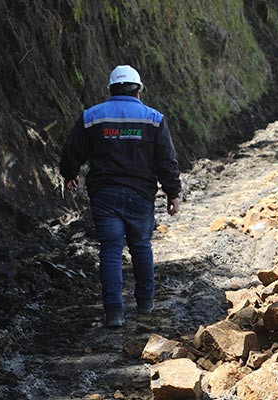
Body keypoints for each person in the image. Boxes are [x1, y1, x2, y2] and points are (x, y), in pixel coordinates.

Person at [59, 65, 181, 328]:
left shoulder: (92, 117)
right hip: (140, 195)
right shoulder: (154, 118)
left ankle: (114, 312)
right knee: (141, 247)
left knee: (111, 251)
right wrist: (173, 193)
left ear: (111, 90)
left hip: (105, 195)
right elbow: (166, 160)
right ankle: (145, 303)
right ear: (138, 90)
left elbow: (72, 149)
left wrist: (69, 173)